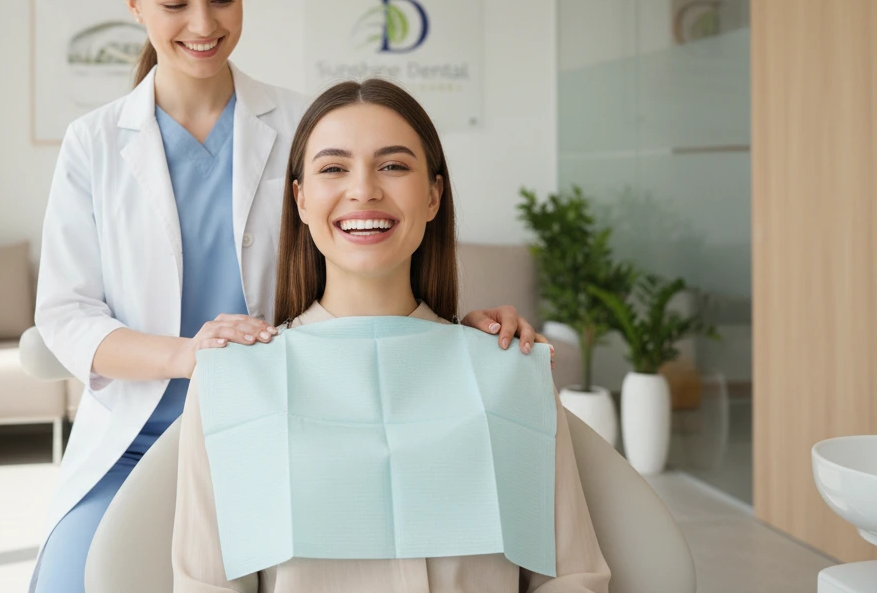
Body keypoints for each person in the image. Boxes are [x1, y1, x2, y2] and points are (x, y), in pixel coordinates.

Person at [30, 0, 546, 593]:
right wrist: (191, 357)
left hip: (293, 425)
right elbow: (65, 316)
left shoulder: (308, 121)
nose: (205, 25)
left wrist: (464, 333)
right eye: (176, 3)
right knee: (77, 580)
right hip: (138, 440)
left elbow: (375, 249)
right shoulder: (94, 143)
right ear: (132, 2)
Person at [172, 79, 609, 592]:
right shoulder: (237, 380)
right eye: (333, 168)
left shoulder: (508, 368)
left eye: (394, 166)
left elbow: (571, 578)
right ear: (301, 198)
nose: (364, 190)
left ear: (433, 196)